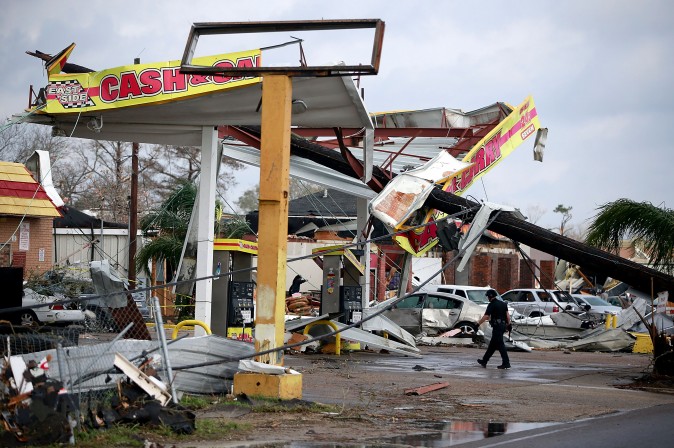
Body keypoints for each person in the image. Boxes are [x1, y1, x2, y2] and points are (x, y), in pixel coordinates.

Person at [477, 289, 511, 369]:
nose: (487, 298)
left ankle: (506, 363)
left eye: (488, 296)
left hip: (497, 327)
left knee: (500, 345)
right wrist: (508, 325)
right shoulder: (503, 304)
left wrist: (477, 324)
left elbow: (486, 316)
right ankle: (484, 361)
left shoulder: (492, 305)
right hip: (502, 326)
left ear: (490, 296)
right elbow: (508, 316)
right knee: (492, 345)